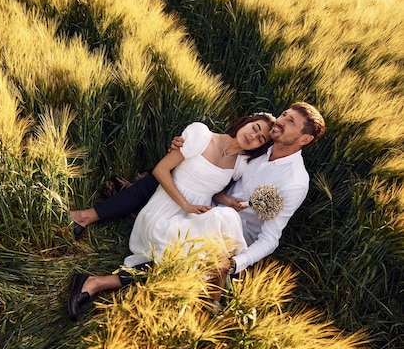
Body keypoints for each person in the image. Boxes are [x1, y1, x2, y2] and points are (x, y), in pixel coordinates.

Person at [68, 102, 326, 321]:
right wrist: (184, 148)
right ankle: (91, 218)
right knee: (171, 181)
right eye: (284, 115)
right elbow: (218, 180)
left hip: (234, 238)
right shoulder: (259, 150)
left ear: (305, 139)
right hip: (210, 212)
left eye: (290, 122)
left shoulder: (294, 182)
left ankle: (99, 283)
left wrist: (235, 263)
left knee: (186, 250)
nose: (281, 122)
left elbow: (270, 239)